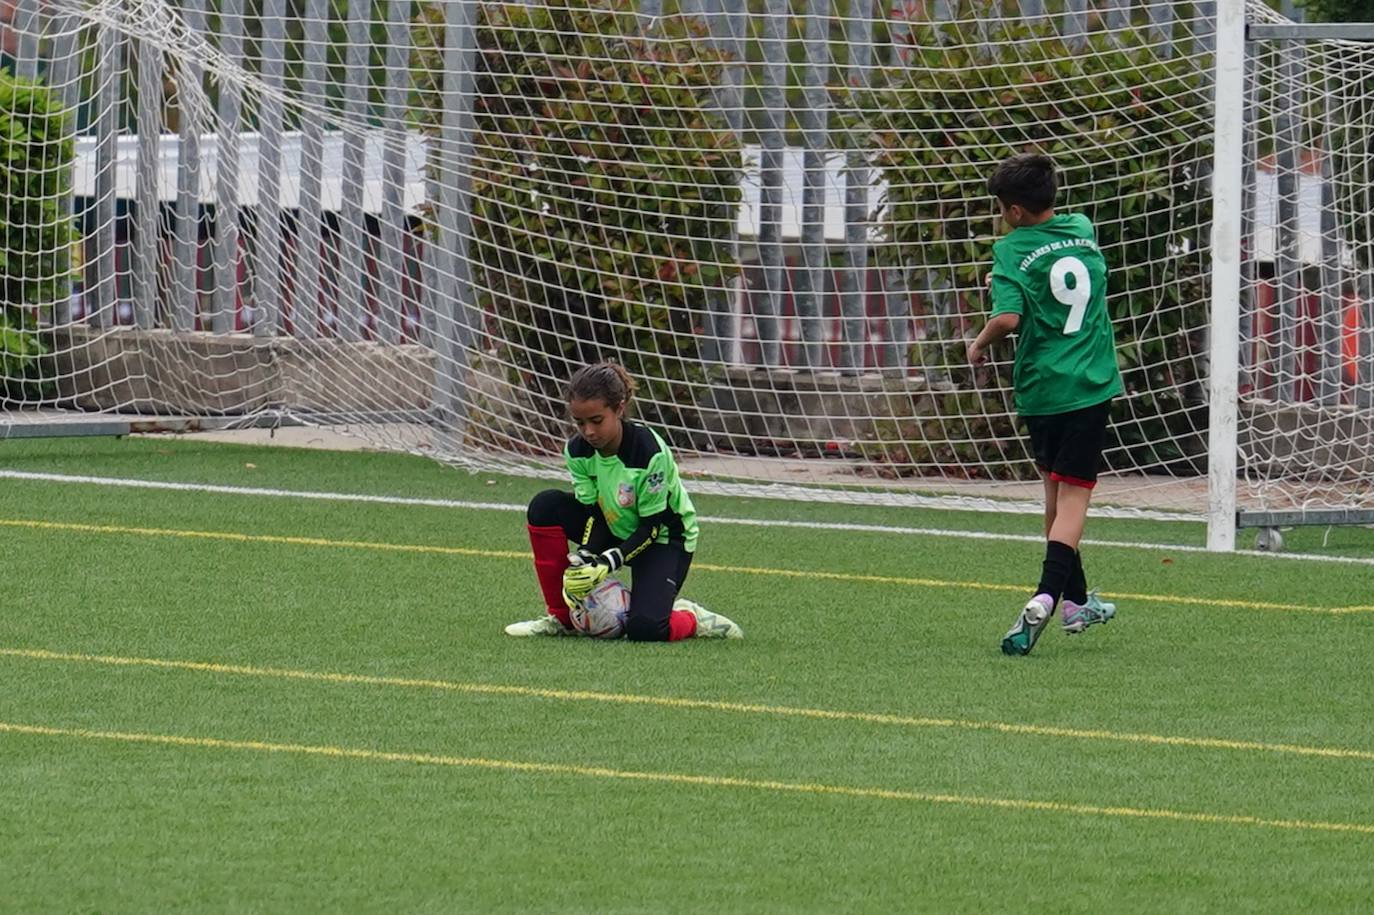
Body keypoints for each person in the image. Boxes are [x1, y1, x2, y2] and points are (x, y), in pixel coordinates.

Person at [966, 153, 1120, 656]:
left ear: (1012, 211)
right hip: (1089, 384)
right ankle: (1048, 596)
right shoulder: (1081, 226)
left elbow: (1008, 318)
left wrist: (978, 342)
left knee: (1054, 495)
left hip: (1040, 388)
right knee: (1073, 500)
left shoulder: (1010, 250)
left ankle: (1076, 602)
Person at [505, 360, 743, 641]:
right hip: (615, 526)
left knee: (645, 630)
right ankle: (562, 618)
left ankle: (691, 617)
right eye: (579, 423)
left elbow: (651, 527)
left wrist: (606, 562)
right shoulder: (578, 451)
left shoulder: (648, 453)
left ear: (618, 409)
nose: (589, 432)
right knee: (545, 506)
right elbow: (595, 513)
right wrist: (584, 556)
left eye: (596, 421)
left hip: (664, 539)